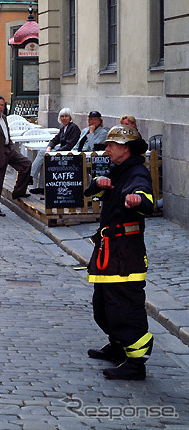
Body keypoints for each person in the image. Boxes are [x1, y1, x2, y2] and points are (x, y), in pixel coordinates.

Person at [84, 125, 154, 380]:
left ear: (125, 148)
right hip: (110, 253)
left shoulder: (137, 173)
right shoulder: (119, 170)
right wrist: (98, 183)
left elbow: (146, 197)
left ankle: (136, 363)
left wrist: (138, 199)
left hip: (125, 256)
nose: (107, 149)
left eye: (111, 145)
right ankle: (118, 346)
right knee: (103, 306)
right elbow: (97, 191)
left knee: (124, 308)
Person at [0, 95, 32, 216]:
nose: (0, 107)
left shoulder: (4, 117)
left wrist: (11, 146)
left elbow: (6, 134)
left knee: (26, 164)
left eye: (2, 105)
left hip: (8, 149)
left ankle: (19, 191)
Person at [29, 108, 80, 194]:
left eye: (66, 116)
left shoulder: (73, 127)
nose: (64, 118)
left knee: (43, 153)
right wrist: (49, 147)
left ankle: (30, 175)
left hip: (69, 154)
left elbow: (69, 145)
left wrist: (54, 152)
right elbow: (55, 140)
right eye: (62, 116)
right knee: (44, 155)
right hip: (62, 151)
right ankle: (42, 187)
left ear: (70, 117)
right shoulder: (63, 128)